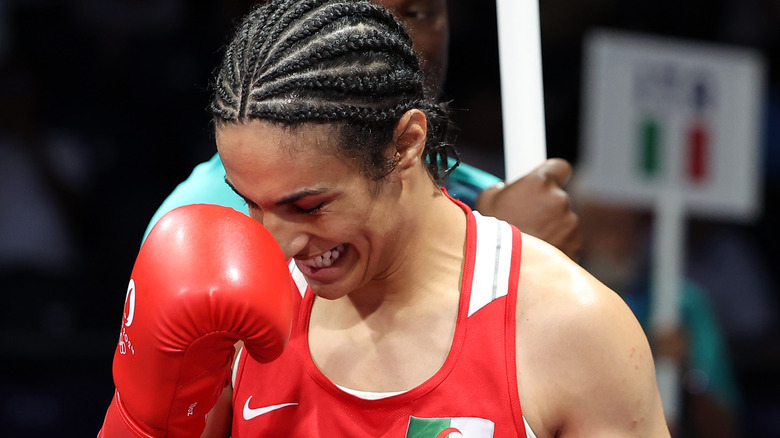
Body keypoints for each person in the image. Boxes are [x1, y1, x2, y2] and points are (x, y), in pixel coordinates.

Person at [98, 1, 669, 436]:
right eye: (250, 202)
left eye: (308, 205)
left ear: (405, 145)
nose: (278, 242)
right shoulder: (237, 313)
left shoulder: (571, 329)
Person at [142, 0, 581, 260]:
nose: (395, 40)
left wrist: (527, 273)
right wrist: (490, 261)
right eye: (361, 10)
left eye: (418, 11)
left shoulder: (494, 203)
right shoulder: (199, 223)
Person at [575, 192, 743, 438]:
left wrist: (685, 372)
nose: (611, 240)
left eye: (623, 226)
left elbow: (724, 427)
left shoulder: (682, 306)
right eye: (599, 225)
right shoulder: (555, 305)